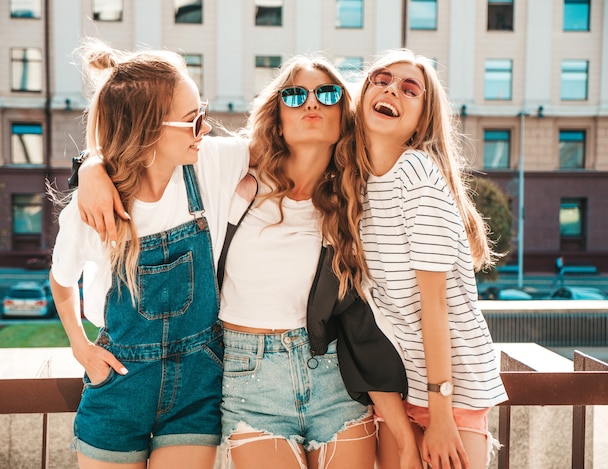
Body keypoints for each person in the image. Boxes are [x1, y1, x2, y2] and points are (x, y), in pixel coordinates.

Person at [71, 54, 408, 469]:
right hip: (249, 374)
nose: (312, 103)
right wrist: (90, 166)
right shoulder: (235, 174)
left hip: (330, 374)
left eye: (327, 92)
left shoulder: (357, 196)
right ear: (277, 115)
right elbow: (146, 140)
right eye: (295, 94)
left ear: (344, 113)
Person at [49, 38, 249, 468]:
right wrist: (80, 347)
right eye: (193, 121)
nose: (207, 129)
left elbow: (277, 143)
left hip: (197, 384)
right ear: (149, 130)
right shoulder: (92, 209)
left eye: (204, 115)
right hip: (120, 384)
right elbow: (61, 281)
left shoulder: (209, 165)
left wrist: (89, 163)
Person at [354, 49, 509, 469]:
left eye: (409, 89)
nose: (391, 90)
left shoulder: (417, 175)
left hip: (452, 388)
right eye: (381, 80)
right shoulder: (357, 182)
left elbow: (434, 305)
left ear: (421, 120)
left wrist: (441, 415)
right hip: (397, 384)